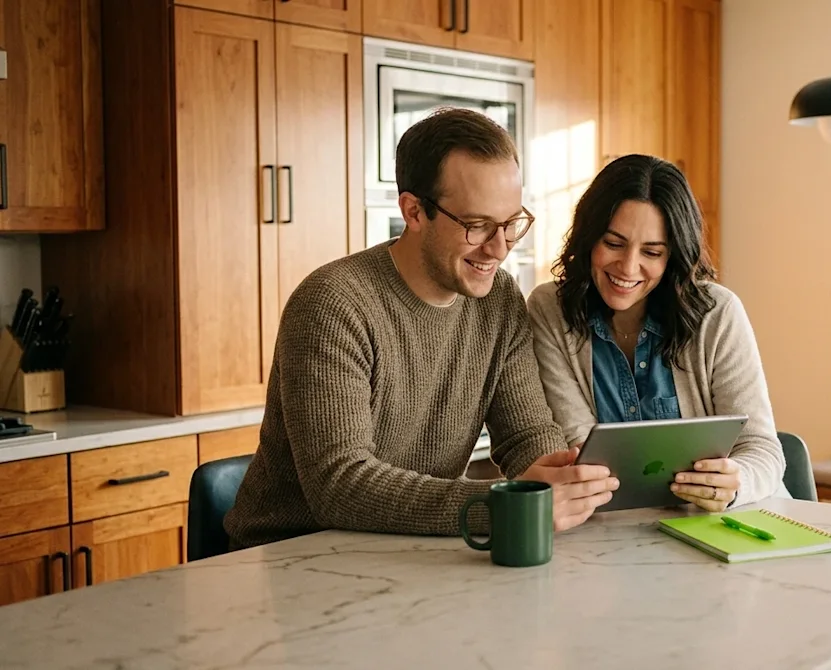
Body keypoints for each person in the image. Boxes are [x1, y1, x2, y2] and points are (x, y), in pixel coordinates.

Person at [224, 108, 619, 550]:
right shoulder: (333, 303)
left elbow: (526, 434)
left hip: (404, 551)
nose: (499, 247)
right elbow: (340, 485)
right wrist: (503, 505)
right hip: (290, 557)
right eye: (477, 225)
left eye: (511, 224)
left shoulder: (499, 298)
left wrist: (564, 478)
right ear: (414, 211)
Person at [526, 154, 787, 513]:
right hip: (614, 534)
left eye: (651, 251)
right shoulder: (549, 310)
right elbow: (579, 450)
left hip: (730, 522)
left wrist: (735, 483)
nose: (628, 267)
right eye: (614, 244)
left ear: (673, 257)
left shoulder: (717, 312)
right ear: (589, 237)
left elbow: (762, 448)